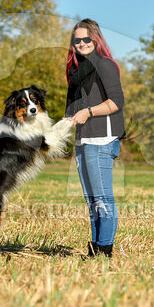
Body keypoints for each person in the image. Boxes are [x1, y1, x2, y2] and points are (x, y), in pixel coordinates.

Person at [65, 19, 125, 258]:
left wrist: (88, 112)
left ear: (96, 39)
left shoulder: (105, 65)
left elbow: (116, 102)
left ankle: (105, 251)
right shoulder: (78, 70)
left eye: (86, 39)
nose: (81, 44)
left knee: (102, 199)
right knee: (91, 201)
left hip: (102, 140)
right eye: (77, 40)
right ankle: (95, 249)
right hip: (83, 140)